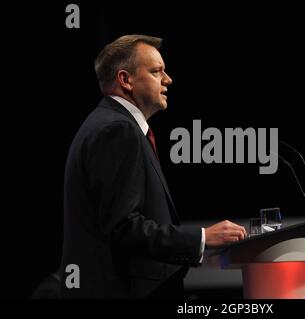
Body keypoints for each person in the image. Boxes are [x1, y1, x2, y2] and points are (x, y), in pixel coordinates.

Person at [60, 34, 247, 298]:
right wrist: (202, 239)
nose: (168, 79)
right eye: (157, 71)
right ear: (126, 80)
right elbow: (124, 228)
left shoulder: (111, 125)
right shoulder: (117, 130)